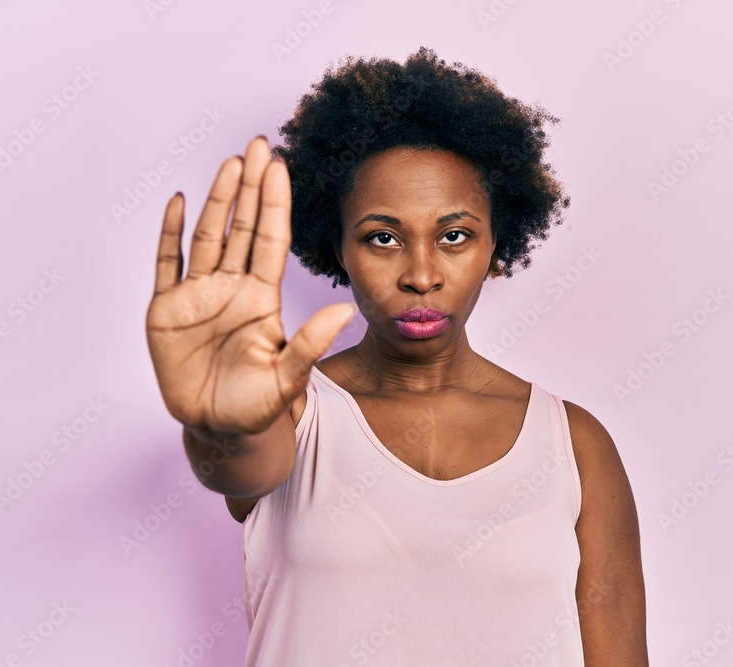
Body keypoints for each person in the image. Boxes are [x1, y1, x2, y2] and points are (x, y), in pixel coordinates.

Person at [146, 47, 648, 666]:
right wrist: (221, 422)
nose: (421, 275)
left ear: (497, 243)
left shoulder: (574, 445)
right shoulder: (294, 412)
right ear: (338, 246)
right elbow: (238, 465)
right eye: (382, 238)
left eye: (454, 236)